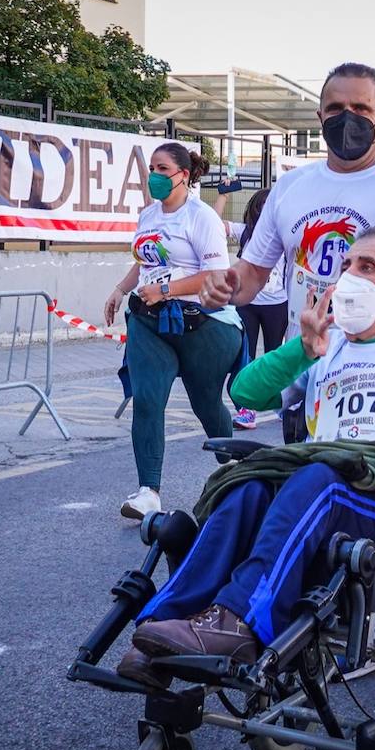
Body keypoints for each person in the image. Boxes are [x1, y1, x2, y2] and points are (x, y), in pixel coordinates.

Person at [116, 228, 375, 687]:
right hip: (325, 490)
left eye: (366, 267)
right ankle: (161, 625)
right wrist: (301, 351)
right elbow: (244, 393)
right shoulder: (327, 344)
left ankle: (240, 620)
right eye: (346, 267)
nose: (348, 277)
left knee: (316, 478)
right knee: (250, 485)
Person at [200, 63, 375, 336]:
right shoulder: (289, 187)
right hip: (302, 360)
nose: (347, 118)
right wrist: (228, 284)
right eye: (335, 109)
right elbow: (254, 272)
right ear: (320, 117)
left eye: (361, 109)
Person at [102, 143, 244, 519]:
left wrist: (166, 290)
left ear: (184, 174)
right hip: (150, 320)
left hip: (201, 324)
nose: (154, 176)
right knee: (148, 399)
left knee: (206, 403)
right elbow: (144, 260)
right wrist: (120, 289)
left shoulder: (201, 217)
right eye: (151, 167)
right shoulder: (148, 215)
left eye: (162, 168)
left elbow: (214, 275)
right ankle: (148, 490)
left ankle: (232, 472)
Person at [213, 185, 290, 430]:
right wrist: (223, 196)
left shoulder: (287, 233)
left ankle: (283, 403)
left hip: (278, 303)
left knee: (274, 354)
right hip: (247, 302)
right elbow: (212, 224)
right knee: (245, 355)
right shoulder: (245, 232)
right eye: (263, 206)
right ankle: (247, 410)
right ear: (255, 209)